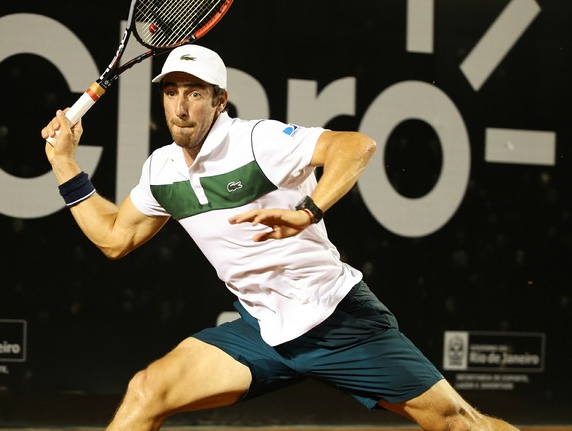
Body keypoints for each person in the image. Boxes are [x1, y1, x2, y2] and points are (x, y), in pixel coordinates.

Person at [41, 45, 519, 431]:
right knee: (148, 391)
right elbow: (114, 239)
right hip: (262, 330)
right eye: (171, 93)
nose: (181, 106)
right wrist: (65, 163)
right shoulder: (161, 169)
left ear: (219, 100)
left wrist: (308, 212)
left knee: (457, 423)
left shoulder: (258, 141)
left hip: (335, 320)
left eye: (194, 93)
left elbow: (356, 146)